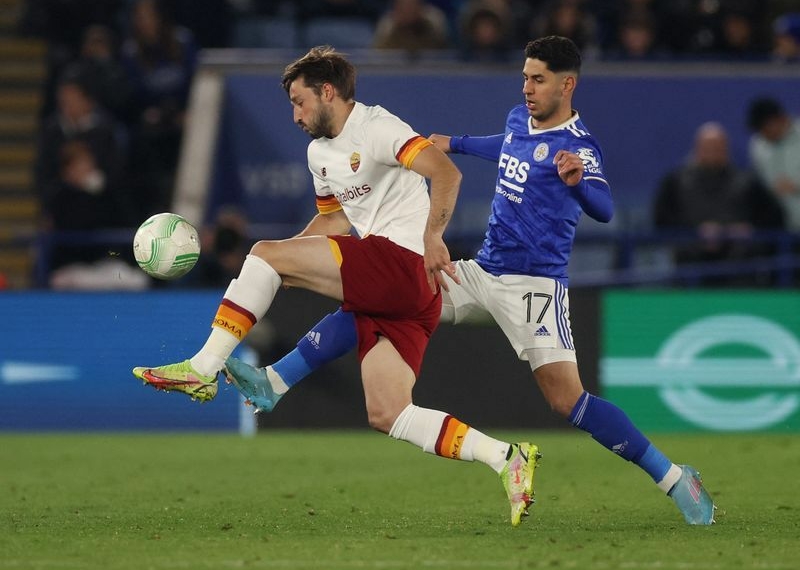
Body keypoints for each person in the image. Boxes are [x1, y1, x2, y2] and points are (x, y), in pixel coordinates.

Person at [223, 36, 716, 526]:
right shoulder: (518, 120)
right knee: (384, 289)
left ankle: (673, 477)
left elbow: (605, 210)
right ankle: (276, 380)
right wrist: (455, 143)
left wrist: (579, 184)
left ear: (567, 85)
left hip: (534, 288)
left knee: (567, 400)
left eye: (538, 79)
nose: (527, 87)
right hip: (481, 272)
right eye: (524, 76)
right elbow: (509, 148)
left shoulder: (579, 148)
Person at [133, 46, 540, 527]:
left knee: (265, 253)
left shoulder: (377, 127)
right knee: (388, 413)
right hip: (406, 296)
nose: (295, 115)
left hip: (405, 263)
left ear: (329, 92)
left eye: (300, 102)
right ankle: (507, 457)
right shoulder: (318, 154)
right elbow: (334, 221)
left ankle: (205, 367)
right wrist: (282, 265)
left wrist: (433, 237)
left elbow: (446, 173)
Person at [654, 121, 785, 286]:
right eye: (707, 147)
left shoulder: (747, 181)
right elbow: (661, 219)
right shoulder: (676, 181)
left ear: (726, 149)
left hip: (739, 255)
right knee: (685, 254)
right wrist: (695, 232)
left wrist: (750, 229)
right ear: (697, 149)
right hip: (692, 253)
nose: (713, 152)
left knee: (748, 255)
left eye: (718, 147)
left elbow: (774, 216)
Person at [747, 97, 800, 233]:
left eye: (764, 127)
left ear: (779, 119)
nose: (762, 133)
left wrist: (796, 186)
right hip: (782, 230)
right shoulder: (757, 146)